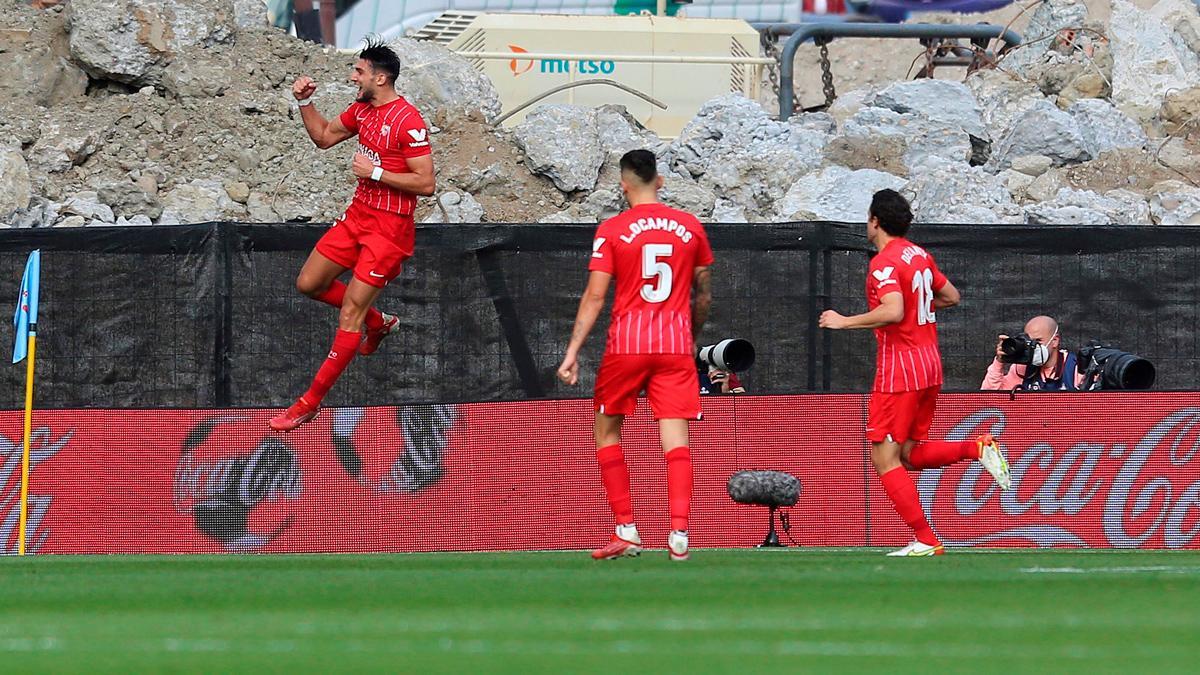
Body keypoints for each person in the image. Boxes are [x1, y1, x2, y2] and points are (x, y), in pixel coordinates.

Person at [819, 189, 1011, 557]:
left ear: (875, 220)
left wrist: (844, 322)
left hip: (900, 369)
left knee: (884, 459)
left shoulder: (884, 262)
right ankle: (977, 447)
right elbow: (951, 296)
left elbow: (892, 311)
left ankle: (925, 538)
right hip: (929, 364)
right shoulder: (919, 255)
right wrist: (916, 306)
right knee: (907, 454)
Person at [269, 37, 435, 432]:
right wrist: (304, 102)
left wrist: (375, 173)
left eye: (358, 71)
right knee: (309, 282)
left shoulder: (409, 121)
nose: (352, 76)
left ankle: (309, 403)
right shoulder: (363, 109)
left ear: (380, 77)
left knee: (349, 313)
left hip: (389, 230)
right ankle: (378, 322)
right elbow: (324, 138)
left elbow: (426, 183)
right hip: (358, 216)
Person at [557, 149, 713, 562]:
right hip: (675, 345)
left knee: (607, 431)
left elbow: (595, 295)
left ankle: (627, 528)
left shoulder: (612, 229)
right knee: (675, 437)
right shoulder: (690, 227)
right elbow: (705, 293)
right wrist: (691, 335)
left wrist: (573, 351)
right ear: (659, 182)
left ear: (624, 185)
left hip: (627, 345)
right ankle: (679, 532)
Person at [981, 315, 1084, 391]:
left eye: (1038, 341)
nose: (1033, 346)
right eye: (1029, 341)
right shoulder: (1021, 368)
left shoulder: (1075, 367)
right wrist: (999, 362)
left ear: (1055, 341)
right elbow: (990, 398)